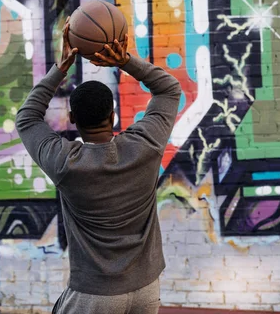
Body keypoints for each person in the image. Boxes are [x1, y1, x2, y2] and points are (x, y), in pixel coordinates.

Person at [15, 18, 181, 314]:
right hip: (146, 290)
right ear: (113, 115)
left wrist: (60, 68)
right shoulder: (145, 146)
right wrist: (125, 61)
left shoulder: (66, 163)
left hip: (95, 294)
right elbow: (168, 89)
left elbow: (27, 118)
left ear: (73, 118)